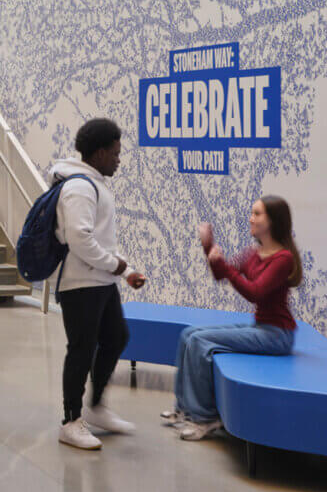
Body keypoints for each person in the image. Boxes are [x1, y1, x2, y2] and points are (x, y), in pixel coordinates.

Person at [164, 197, 303, 440]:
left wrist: (223, 266)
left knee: (200, 342)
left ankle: (205, 418)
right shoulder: (255, 252)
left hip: (277, 336)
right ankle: (184, 409)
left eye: (257, 214)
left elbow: (255, 292)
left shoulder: (283, 259)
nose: (251, 218)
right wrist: (209, 248)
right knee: (188, 335)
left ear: (272, 221)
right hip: (262, 327)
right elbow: (223, 273)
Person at [50, 118, 147, 451]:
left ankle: (96, 407)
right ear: (101, 152)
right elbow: (79, 238)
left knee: (116, 337)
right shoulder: (79, 187)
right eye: (116, 153)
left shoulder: (94, 183)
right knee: (81, 349)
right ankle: (71, 420)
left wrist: (125, 270)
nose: (119, 159)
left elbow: (100, 238)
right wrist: (117, 265)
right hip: (80, 283)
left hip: (100, 280)